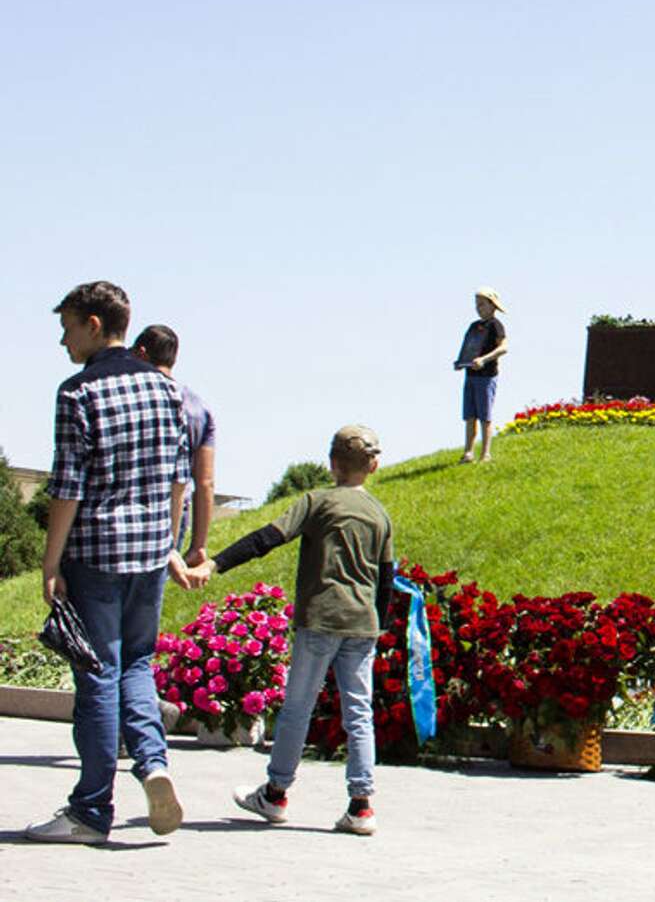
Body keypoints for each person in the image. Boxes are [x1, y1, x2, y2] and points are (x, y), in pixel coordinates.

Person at [24, 282, 198, 844]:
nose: (62, 340)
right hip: (149, 554)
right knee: (138, 663)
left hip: (96, 552)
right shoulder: (167, 390)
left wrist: (51, 564)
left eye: (69, 327)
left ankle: (91, 810)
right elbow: (180, 480)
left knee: (97, 675)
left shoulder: (77, 393)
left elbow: (67, 488)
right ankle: (153, 763)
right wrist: (169, 542)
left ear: (95, 325)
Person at [200, 425, 394, 837]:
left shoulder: (316, 502)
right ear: (374, 466)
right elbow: (386, 578)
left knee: (298, 707)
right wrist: (381, 625)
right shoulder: (380, 514)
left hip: (320, 619)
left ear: (332, 463)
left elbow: (266, 539)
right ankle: (361, 805)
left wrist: (216, 563)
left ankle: (275, 793)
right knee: (358, 713)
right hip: (362, 626)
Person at [131, 324, 216, 566]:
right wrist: (199, 545)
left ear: (141, 353)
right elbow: (205, 482)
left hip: (132, 508)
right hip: (175, 514)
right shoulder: (200, 408)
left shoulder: (135, 398)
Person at [454, 287, 509, 464]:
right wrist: (460, 361)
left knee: (485, 417)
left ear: (492, 306)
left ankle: (485, 453)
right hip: (471, 375)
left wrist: (484, 360)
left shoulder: (496, 325)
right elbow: (468, 348)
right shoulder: (473, 326)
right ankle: (468, 452)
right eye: (477, 304)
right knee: (470, 416)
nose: (479, 308)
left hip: (486, 376)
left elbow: (503, 347)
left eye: (482, 304)